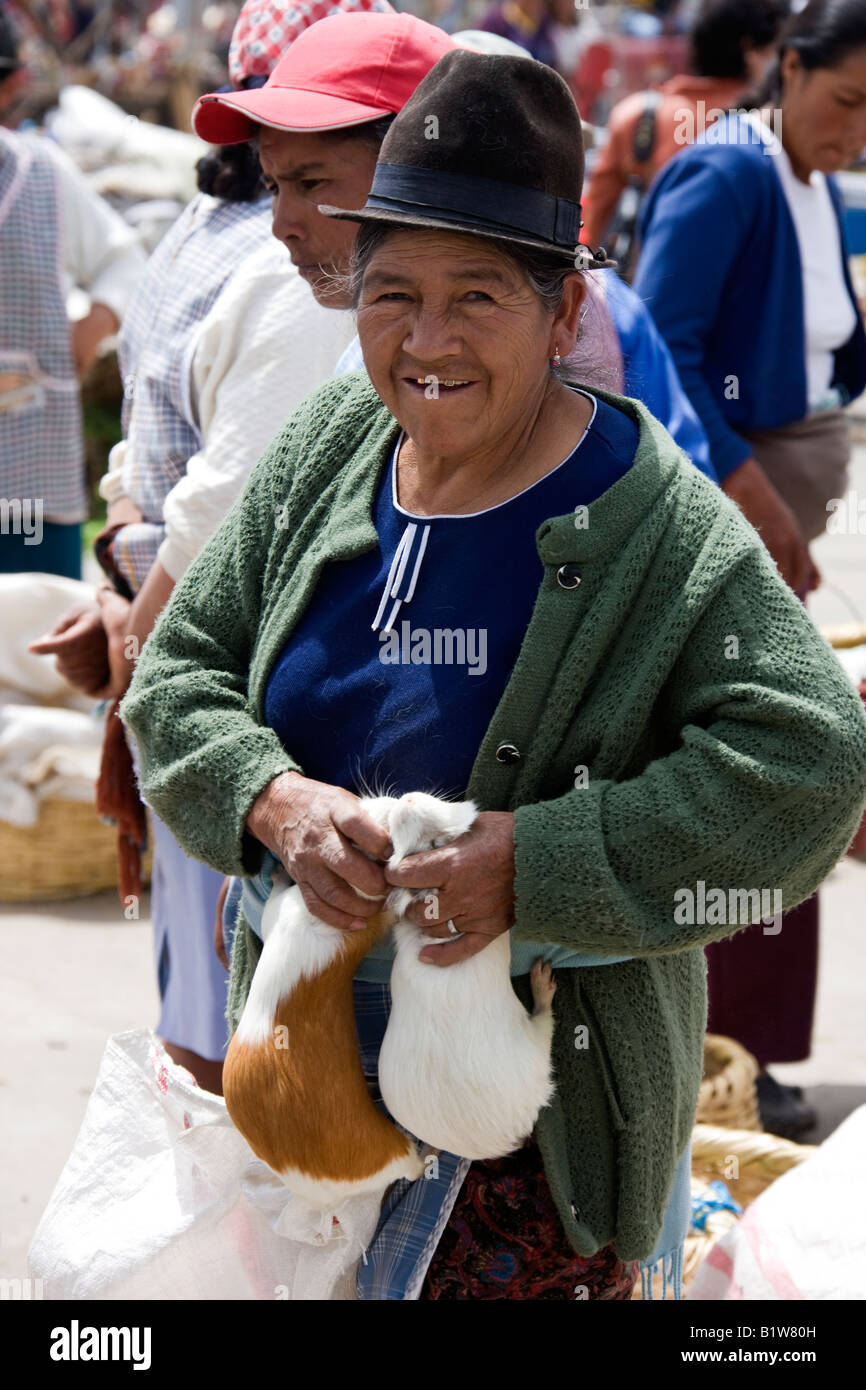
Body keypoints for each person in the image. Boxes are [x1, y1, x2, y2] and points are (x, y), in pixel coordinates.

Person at [120, 49, 866, 1300]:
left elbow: (810, 767)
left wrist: (534, 862)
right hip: (306, 1084)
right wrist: (275, 801)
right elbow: (180, 673)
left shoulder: (653, 528)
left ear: (564, 313)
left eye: (479, 296)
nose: (426, 340)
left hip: (532, 1162)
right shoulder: (332, 447)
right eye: (391, 292)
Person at [28, 0, 398, 1095]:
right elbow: (206, 513)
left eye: (312, 176)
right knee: (234, 1058)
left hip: (218, 684)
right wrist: (143, 667)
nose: (290, 215)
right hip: (232, 699)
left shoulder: (279, 264)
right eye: (277, 173)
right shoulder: (301, 287)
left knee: (240, 1047)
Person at [633, 0, 866, 1135]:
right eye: (845, 101)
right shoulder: (723, 173)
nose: (854, 131)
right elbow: (655, 343)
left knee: (791, 768)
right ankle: (714, 1049)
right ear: (785, 68)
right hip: (727, 523)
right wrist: (742, 483)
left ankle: (752, 1053)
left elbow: (826, 339)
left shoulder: (816, 184)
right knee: (755, 769)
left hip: (781, 516)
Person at [0, 5, 145, 579]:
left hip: (26, 476)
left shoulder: (40, 175)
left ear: (10, 87)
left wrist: (93, 326)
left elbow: (123, 258)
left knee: (30, 631)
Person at [581, 0, 787, 257]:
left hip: (647, 288)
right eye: (778, 49)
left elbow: (589, 231)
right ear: (750, 50)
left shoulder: (638, 114)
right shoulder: (776, 125)